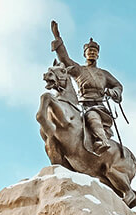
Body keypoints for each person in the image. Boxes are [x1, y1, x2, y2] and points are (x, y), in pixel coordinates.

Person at [51, 21, 123, 154]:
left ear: (98, 55)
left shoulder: (104, 74)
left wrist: (112, 92)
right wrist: (57, 38)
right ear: (85, 54)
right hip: (81, 105)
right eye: (90, 51)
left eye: (94, 51)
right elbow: (65, 60)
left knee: (92, 115)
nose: (92, 53)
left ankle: (103, 141)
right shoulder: (79, 70)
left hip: (98, 106)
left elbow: (118, 85)